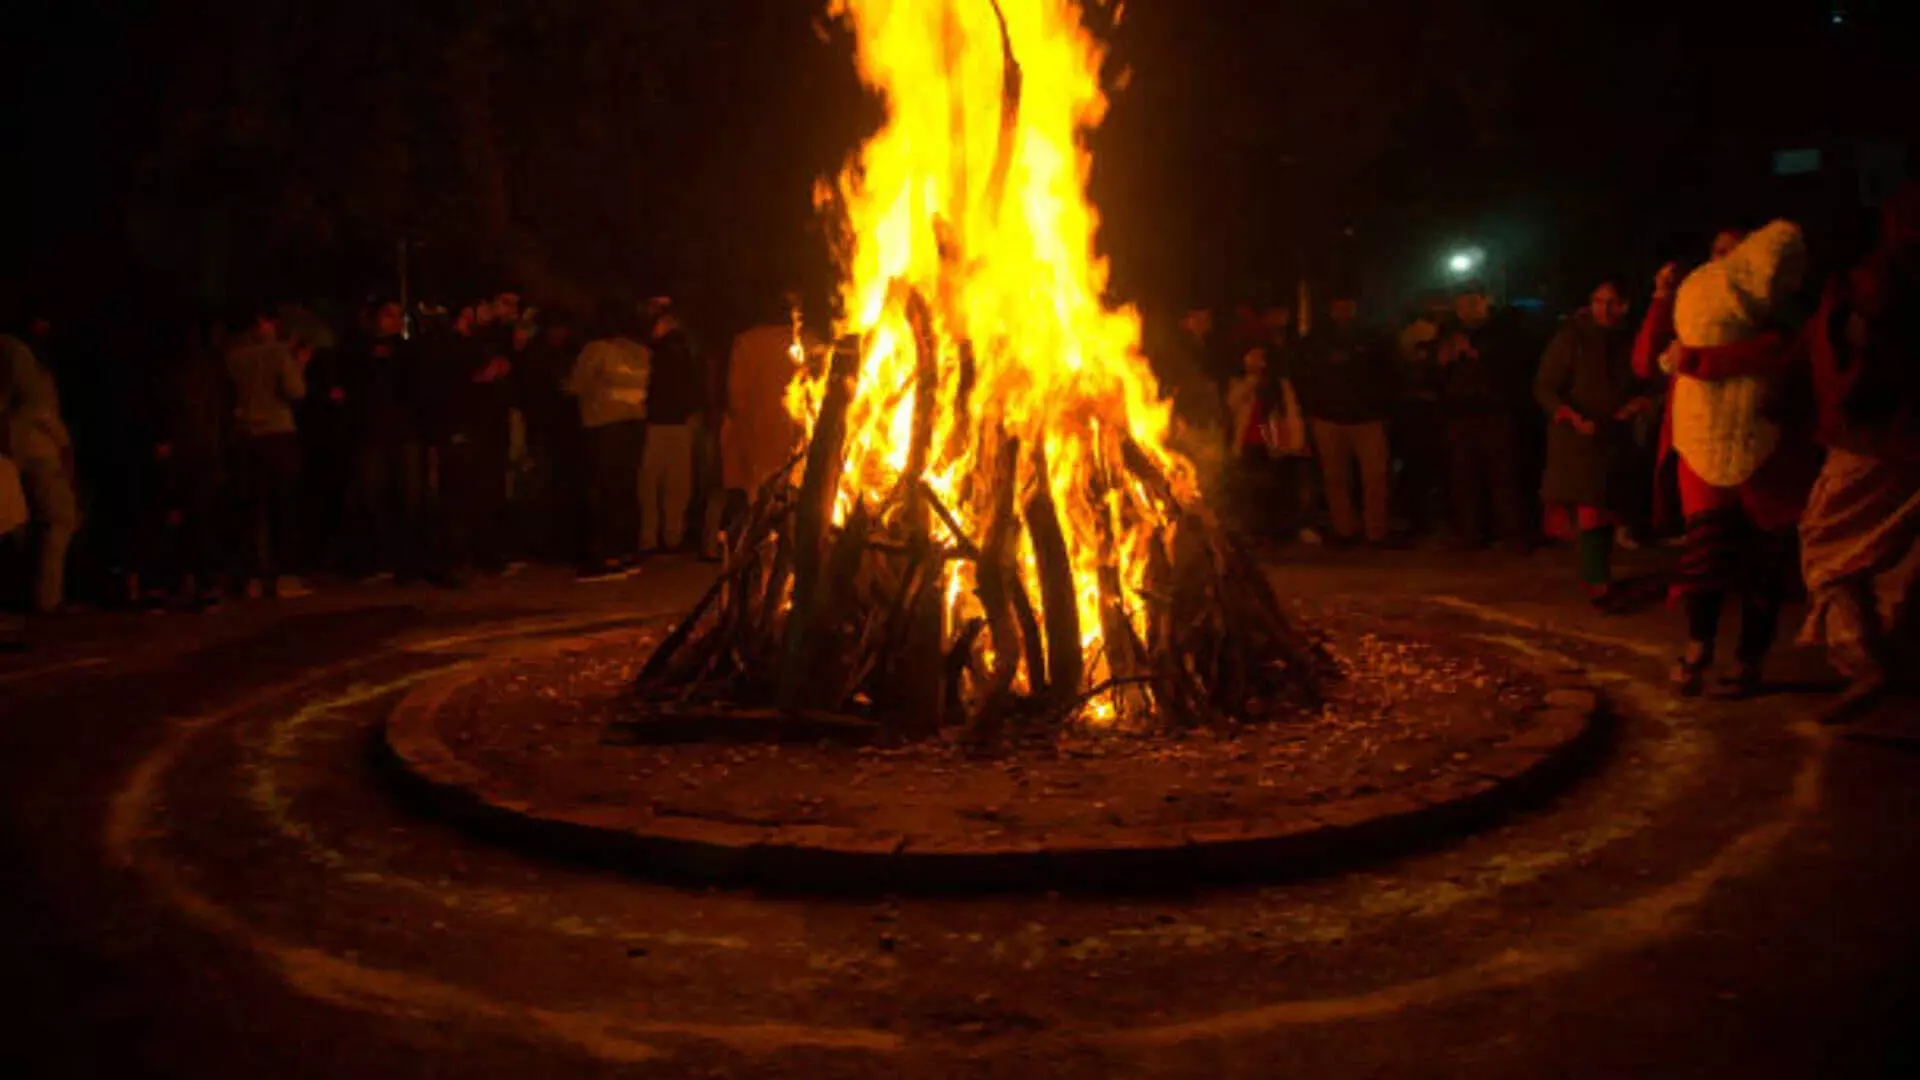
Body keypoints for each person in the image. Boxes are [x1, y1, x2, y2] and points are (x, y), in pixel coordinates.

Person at [1644, 222, 1818, 697]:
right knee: (1706, 552)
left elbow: (1778, 354)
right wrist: (1662, 299)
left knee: (1763, 559)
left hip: (1765, 449)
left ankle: (1749, 658)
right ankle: (1699, 647)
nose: (1725, 261)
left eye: (1735, 253)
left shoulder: (1777, 312)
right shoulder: (1694, 309)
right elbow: (1644, 362)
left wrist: (1698, 360)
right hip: (1699, 444)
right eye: (1717, 252)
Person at [1798, 184, 1920, 723]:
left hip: (1877, 439)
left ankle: (1864, 661)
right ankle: (1888, 659)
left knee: (1827, 545)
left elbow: (1861, 361)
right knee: (1894, 558)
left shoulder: (1875, 282)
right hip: (1896, 436)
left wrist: (1844, 404)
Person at [1535, 279, 1650, 609]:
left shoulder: (1630, 339)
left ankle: (1602, 575)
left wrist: (1638, 403)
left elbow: (1646, 381)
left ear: (1624, 305)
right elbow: (1545, 386)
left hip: (1614, 435)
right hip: (1578, 437)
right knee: (1589, 510)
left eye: (1612, 302)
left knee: (1608, 508)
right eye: (1598, 301)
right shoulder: (1572, 337)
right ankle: (1597, 582)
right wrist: (1569, 415)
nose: (1605, 308)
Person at [134, 316, 232, 610]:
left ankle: (167, 583)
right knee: (194, 517)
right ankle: (197, 582)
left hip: (182, 450)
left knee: (171, 517)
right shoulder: (208, 367)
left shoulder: (171, 367)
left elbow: (160, 402)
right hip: (198, 450)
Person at [1291, 288, 1396, 547]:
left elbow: (1389, 373)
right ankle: (1345, 529)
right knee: (1335, 477)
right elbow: (1304, 375)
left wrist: (1383, 407)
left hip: (1367, 417)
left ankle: (1375, 531)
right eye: (1339, 305)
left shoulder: (1374, 337)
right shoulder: (1316, 340)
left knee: (1375, 476)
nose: (1343, 310)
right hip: (1328, 417)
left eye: (1348, 304)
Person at [224, 304, 311, 599]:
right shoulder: (276, 353)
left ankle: (250, 576)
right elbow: (295, 391)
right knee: (282, 506)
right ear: (263, 322)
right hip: (277, 433)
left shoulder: (231, 356)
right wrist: (299, 365)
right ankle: (283, 576)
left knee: (250, 508)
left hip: (245, 435)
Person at [1437, 284, 1530, 551]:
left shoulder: (1504, 332)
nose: (1467, 309)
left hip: (1496, 414)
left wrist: (1479, 354)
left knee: (1504, 477)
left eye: (1472, 302)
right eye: (1462, 303)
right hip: (1459, 415)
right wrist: (1444, 360)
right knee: (1463, 477)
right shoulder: (1448, 333)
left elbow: (1517, 366)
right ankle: (1470, 534)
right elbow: (1438, 373)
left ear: (1484, 302)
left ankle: (1513, 534)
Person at [340, 298, 428, 581]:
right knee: (372, 497)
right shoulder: (357, 351)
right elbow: (350, 387)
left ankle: (409, 561)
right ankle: (375, 559)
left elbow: (415, 386)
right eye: (388, 315)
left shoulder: (406, 351)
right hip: (371, 435)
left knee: (410, 497)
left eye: (398, 316)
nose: (393, 321)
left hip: (404, 433)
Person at [432, 294, 519, 581]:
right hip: (463, 427)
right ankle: (453, 560)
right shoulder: (446, 345)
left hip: (489, 427)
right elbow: (446, 386)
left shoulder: (485, 341)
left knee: (487, 492)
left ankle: (486, 555)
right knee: (459, 496)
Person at [715, 300, 812, 550]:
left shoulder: (747, 342)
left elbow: (736, 395)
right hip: (792, 435)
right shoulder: (807, 343)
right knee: (787, 496)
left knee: (755, 497)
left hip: (756, 433)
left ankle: (748, 553)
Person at [566, 298, 651, 580]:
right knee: (626, 490)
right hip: (635, 426)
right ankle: (628, 552)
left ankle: (607, 557)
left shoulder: (596, 350)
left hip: (604, 427)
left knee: (604, 491)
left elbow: (576, 386)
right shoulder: (641, 352)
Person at [0, 326, 80, 614]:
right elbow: (38, 407)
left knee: (24, 523)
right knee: (57, 519)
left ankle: (35, 593)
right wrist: (62, 442)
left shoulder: (14, 352)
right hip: (35, 448)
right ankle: (46, 597)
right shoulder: (19, 354)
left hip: (18, 446)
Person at [638, 296, 705, 555]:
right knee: (654, 483)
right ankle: (655, 537)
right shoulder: (648, 345)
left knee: (669, 484)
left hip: (673, 421)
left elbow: (693, 379)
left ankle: (666, 536)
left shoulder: (681, 346)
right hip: (658, 421)